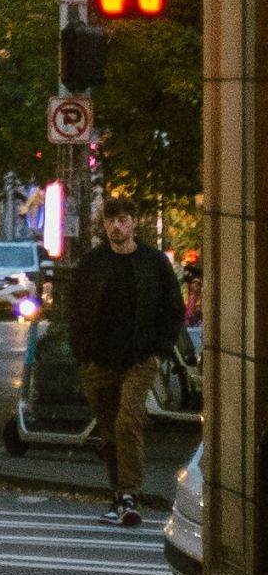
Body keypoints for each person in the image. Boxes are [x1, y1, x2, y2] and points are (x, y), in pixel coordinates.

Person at [70, 196, 186, 526]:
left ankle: (130, 494)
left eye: (122, 220)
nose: (116, 226)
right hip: (98, 360)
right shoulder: (93, 263)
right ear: (104, 225)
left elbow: (173, 307)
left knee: (128, 421)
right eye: (110, 221)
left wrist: (159, 348)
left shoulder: (153, 262)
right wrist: (82, 353)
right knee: (109, 432)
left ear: (134, 222)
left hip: (139, 357)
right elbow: (75, 308)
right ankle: (119, 497)